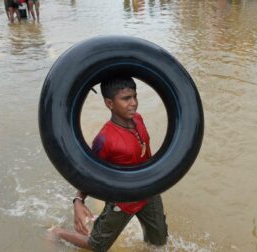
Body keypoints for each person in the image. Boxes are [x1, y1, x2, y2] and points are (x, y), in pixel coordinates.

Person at [48, 76, 168, 251]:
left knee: (158, 243)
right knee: (97, 246)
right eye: (126, 99)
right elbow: (88, 173)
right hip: (122, 200)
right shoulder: (105, 139)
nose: (133, 103)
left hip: (148, 191)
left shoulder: (139, 119)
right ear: (109, 104)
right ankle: (58, 232)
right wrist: (78, 201)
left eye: (135, 96)